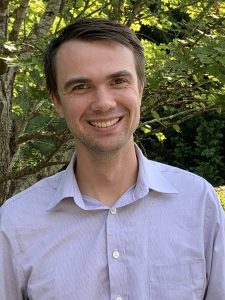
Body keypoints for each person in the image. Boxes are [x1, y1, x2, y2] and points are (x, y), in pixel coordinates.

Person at [0, 18, 225, 300]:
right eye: (80, 86)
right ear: (56, 101)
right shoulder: (16, 223)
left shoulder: (197, 203)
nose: (104, 103)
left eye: (118, 81)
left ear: (141, 88)